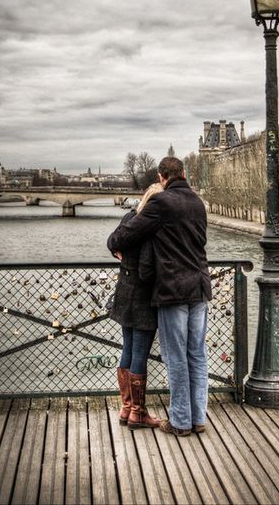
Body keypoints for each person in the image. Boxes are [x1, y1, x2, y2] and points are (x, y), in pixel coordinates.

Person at [107, 156, 211, 437]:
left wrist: (115, 246)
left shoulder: (161, 203)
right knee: (198, 356)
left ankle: (179, 421)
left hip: (173, 290)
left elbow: (124, 235)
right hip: (200, 287)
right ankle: (197, 417)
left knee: (176, 356)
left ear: (161, 177)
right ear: (185, 173)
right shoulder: (198, 203)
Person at [108, 182, 164, 430]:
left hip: (124, 290)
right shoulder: (150, 227)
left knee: (128, 348)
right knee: (140, 351)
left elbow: (113, 242)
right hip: (142, 296)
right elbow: (146, 268)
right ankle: (138, 413)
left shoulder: (129, 218)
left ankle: (126, 408)